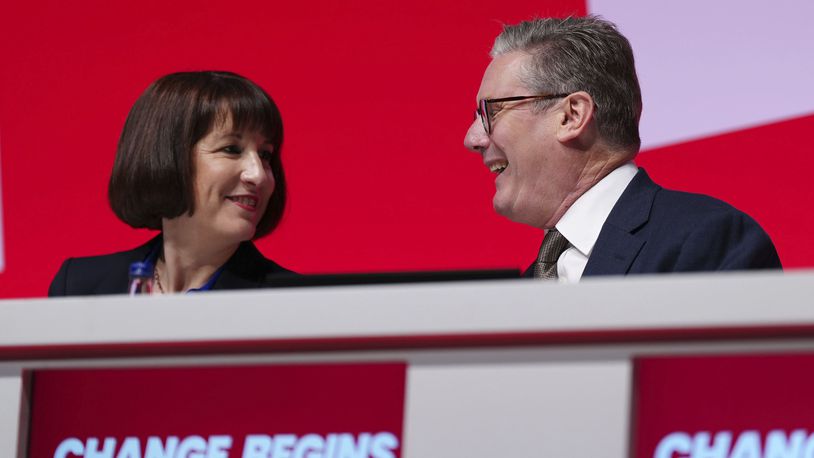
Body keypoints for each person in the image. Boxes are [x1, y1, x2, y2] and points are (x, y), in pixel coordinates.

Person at [463, 16, 781, 281]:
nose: (472, 138)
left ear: (571, 116)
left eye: (491, 112)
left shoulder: (705, 241)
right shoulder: (529, 286)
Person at [49, 71, 294, 295]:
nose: (259, 175)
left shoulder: (293, 302)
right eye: (231, 149)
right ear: (167, 156)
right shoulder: (79, 286)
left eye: (265, 155)